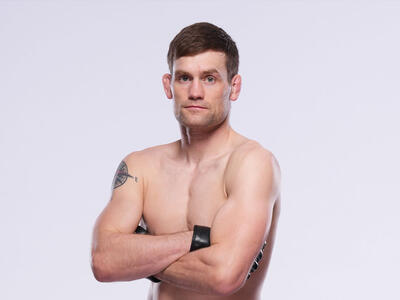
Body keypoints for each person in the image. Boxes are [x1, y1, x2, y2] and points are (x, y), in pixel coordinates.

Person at [90, 22, 281, 300]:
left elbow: (223, 275)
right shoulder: (141, 167)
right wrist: (197, 240)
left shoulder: (251, 164)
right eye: (184, 78)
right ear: (169, 85)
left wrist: (141, 255)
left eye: (210, 78)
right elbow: (104, 261)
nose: (195, 92)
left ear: (234, 87)